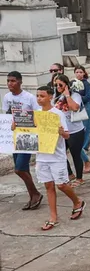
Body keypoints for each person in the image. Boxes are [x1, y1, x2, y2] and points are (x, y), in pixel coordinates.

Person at [27, 85, 85, 230]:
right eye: (37, 96)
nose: (39, 99)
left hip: (56, 155)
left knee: (61, 185)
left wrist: (60, 132)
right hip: (41, 155)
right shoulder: (35, 114)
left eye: (42, 96)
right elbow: (28, 131)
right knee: (48, 186)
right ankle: (53, 216)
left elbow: (67, 135)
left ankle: (77, 202)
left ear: (50, 97)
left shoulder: (57, 114)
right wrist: (16, 126)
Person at [4, 71, 42, 210]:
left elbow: (37, 115)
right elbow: (6, 115)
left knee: (19, 169)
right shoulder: (7, 97)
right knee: (24, 168)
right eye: (8, 81)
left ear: (20, 82)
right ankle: (32, 196)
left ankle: (36, 193)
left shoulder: (29, 97)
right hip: (14, 136)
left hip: (28, 135)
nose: (10, 84)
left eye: (13, 81)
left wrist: (23, 120)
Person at [52, 74, 86, 186]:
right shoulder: (55, 97)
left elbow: (74, 108)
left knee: (75, 154)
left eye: (60, 84)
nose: (58, 87)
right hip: (62, 131)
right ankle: (70, 174)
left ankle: (79, 178)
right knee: (60, 153)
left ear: (66, 85)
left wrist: (67, 95)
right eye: (56, 84)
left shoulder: (75, 95)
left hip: (75, 130)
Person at [73, 66, 90, 174]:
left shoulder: (86, 84)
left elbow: (87, 97)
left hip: (85, 107)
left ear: (84, 73)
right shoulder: (73, 84)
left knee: (86, 128)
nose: (78, 74)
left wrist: (76, 97)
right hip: (77, 108)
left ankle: (85, 146)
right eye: (76, 72)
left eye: (80, 72)